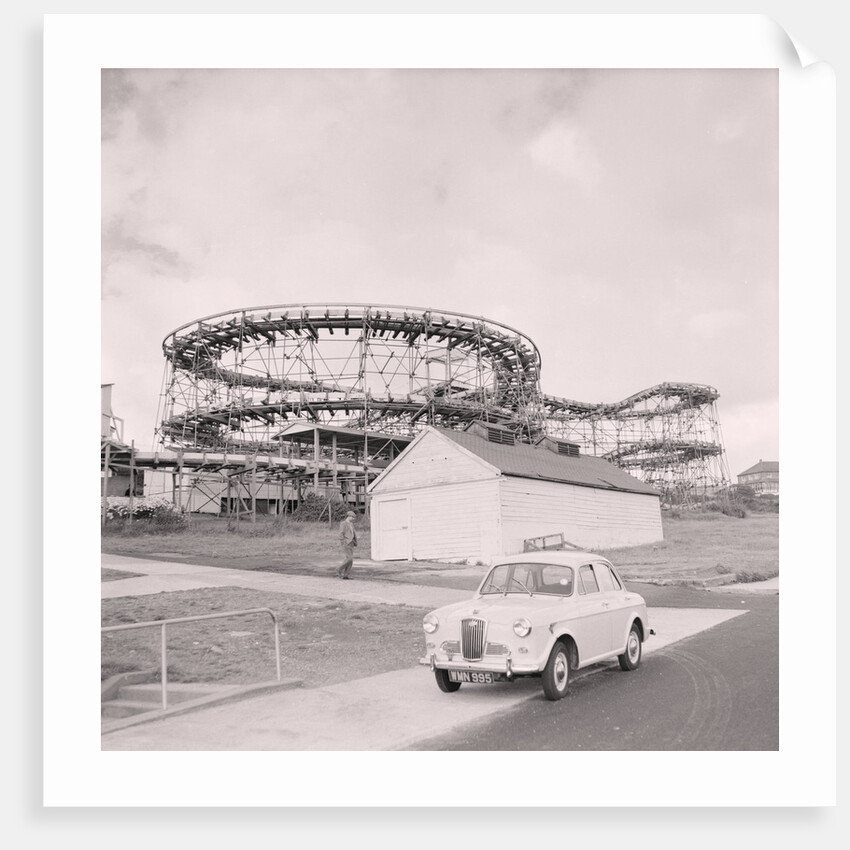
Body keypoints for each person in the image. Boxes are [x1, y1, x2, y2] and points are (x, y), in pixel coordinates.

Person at [338, 510, 358, 579]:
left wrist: (355, 541)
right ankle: (339, 569)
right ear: (349, 516)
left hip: (352, 543)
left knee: (351, 560)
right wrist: (343, 542)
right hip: (346, 543)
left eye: (354, 518)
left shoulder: (351, 524)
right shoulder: (343, 524)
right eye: (352, 517)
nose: (353, 519)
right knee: (349, 558)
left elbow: (353, 533)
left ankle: (345, 575)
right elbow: (341, 534)